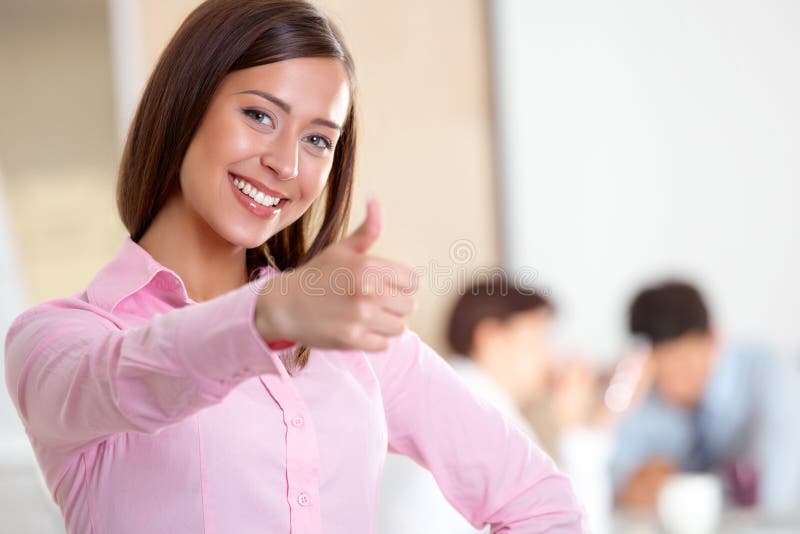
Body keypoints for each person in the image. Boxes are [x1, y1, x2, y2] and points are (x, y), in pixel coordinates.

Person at [2, 1, 583, 533]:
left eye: (318, 140)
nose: (285, 164)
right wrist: (268, 315)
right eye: (259, 115)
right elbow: (137, 378)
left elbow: (541, 502)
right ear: (186, 104)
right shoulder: (58, 341)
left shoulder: (354, 341)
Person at [379, 276, 606, 534]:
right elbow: (574, 525)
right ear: (491, 337)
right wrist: (575, 430)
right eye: (539, 337)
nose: (550, 356)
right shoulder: (481, 412)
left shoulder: (453, 396)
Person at [611, 280, 800, 517]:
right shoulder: (642, 393)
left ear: (713, 338)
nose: (673, 385)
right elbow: (618, 484)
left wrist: (678, 493)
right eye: (661, 370)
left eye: (683, 364)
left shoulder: (772, 376)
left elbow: (772, 494)